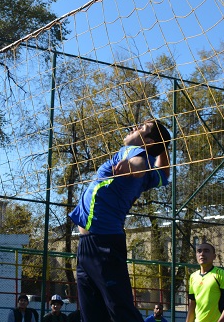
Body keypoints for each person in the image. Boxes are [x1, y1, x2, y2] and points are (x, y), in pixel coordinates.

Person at [68, 120, 171, 322]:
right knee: (92, 316)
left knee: (121, 311)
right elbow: (164, 175)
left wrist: (131, 166)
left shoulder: (134, 153)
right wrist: (163, 148)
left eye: (142, 128)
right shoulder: (149, 168)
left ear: (148, 142)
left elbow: (139, 165)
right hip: (87, 246)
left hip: (104, 243)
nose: (134, 127)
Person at [185, 243, 224, 322]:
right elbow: (192, 304)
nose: (202, 254)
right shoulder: (193, 277)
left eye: (206, 251)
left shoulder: (221, 275)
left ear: (214, 256)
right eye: (199, 251)